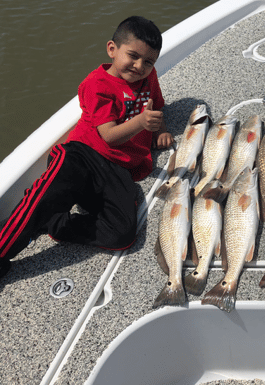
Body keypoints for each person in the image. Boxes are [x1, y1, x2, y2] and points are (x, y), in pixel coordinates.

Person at [0, 16, 174, 280]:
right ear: (112, 49)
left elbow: (157, 105)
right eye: (133, 56)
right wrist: (141, 123)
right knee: (45, 196)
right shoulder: (97, 84)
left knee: (123, 234)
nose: (140, 66)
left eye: (149, 62)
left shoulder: (149, 79)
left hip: (118, 169)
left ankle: (57, 224)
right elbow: (109, 136)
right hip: (83, 155)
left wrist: (160, 130)